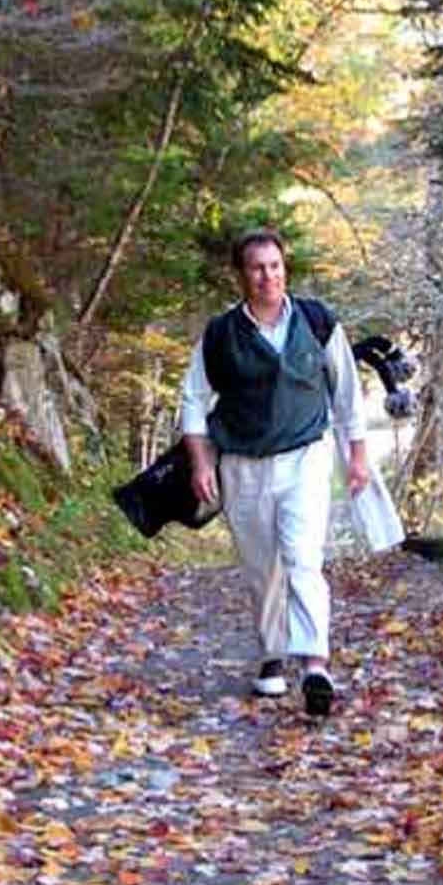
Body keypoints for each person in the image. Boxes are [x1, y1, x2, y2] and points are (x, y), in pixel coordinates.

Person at [179, 228, 370, 717]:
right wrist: (201, 462)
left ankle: (315, 664)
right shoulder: (220, 335)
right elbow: (194, 402)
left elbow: (346, 390)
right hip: (242, 465)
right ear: (241, 275)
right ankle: (271, 655)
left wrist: (357, 453)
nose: (268, 276)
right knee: (263, 569)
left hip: (305, 457)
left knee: (303, 558)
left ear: (286, 268)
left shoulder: (316, 321)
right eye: (257, 268)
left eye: (275, 266)